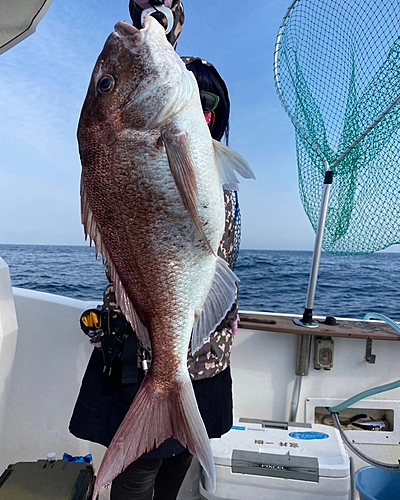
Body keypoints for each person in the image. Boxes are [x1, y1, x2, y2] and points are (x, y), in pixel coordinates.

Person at [69, 2, 242, 498]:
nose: (204, 110)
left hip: (205, 365)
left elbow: (162, 81)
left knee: (171, 479)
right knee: (137, 481)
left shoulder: (211, 170)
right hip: (143, 360)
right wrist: (158, 20)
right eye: (106, 86)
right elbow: (157, 72)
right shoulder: (155, 132)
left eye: (213, 105)